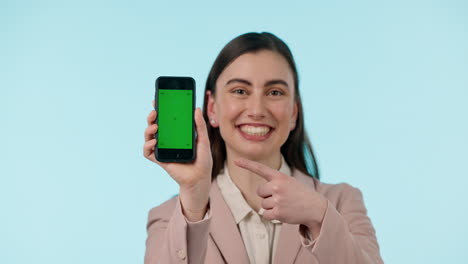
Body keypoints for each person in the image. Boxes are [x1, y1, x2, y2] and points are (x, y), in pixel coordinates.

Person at [143, 32, 384, 264]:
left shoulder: (341, 202)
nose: (257, 110)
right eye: (239, 91)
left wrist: (319, 216)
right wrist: (195, 201)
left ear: (293, 112)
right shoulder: (171, 215)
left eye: (275, 92)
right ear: (212, 108)